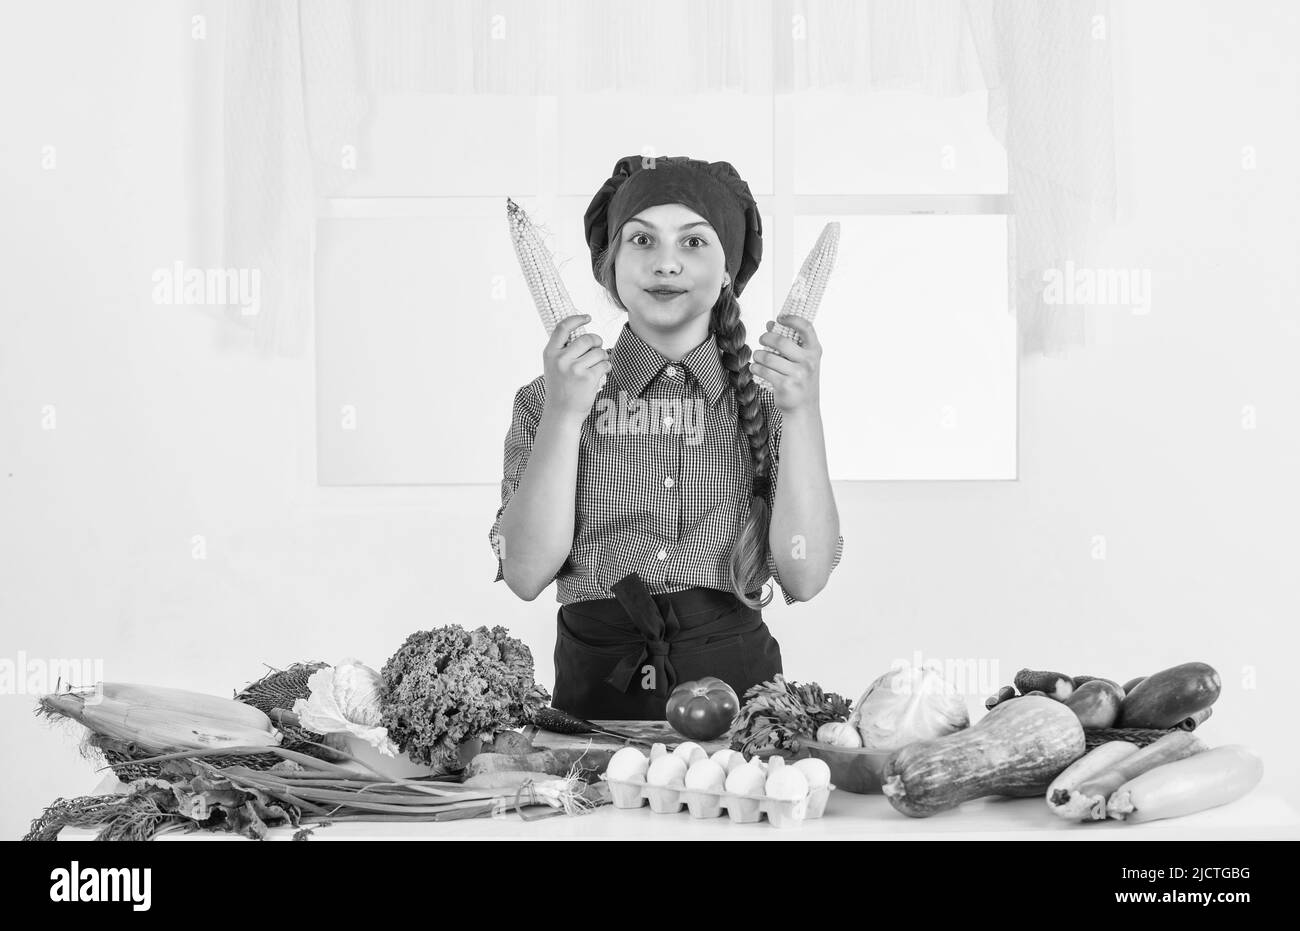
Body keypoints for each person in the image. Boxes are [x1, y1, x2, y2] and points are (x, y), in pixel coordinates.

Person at [490, 154, 843, 720]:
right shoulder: (546, 399)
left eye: (694, 243)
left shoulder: (774, 401)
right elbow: (526, 575)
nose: (667, 264)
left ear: (729, 269)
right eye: (642, 241)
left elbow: (806, 576)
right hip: (594, 711)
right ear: (610, 267)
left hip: (743, 711)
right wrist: (563, 416)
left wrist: (803, 414)